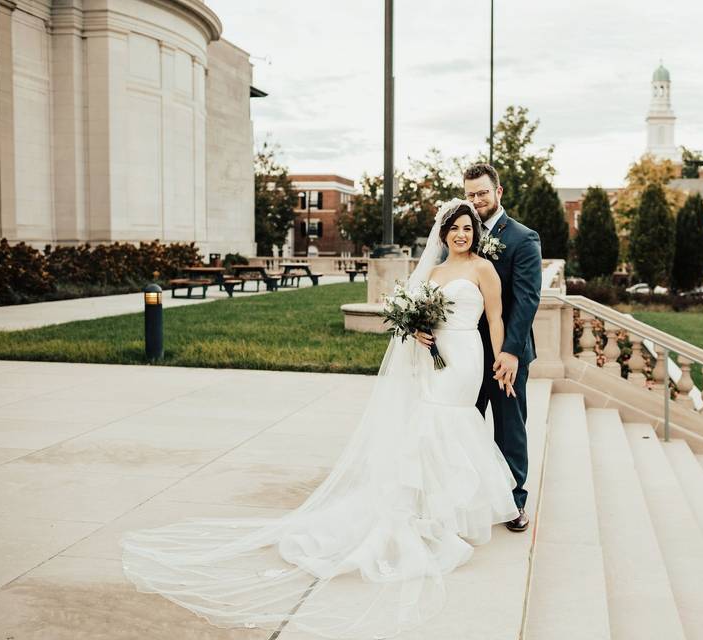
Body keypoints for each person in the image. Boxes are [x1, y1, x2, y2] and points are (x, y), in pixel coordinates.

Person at [120, 199, 520, 639]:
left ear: (474, 232)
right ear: (443, 233)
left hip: (466, 359)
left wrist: (503, 355)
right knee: (429, 426)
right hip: (433, 356)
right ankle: (430, 513)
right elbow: (411, 315)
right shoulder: (435, 271)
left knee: (453, 423)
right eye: (454, 228)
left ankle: (450, 514)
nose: (461, 234)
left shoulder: (483, 269)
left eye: (467, 227)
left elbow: (496, 318)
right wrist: (418, 331)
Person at [419, 164, 542, 531]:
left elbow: (526, 301)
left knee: (509, 428)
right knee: (461, 430)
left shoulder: (523, 238)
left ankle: (513, 501)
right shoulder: (458, 234)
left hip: (505, 353)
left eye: (482, 193)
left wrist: (510, 353)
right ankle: (465, 499)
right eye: (470, 194)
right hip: (460, 357)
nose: (477, 199)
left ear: (498, 192)